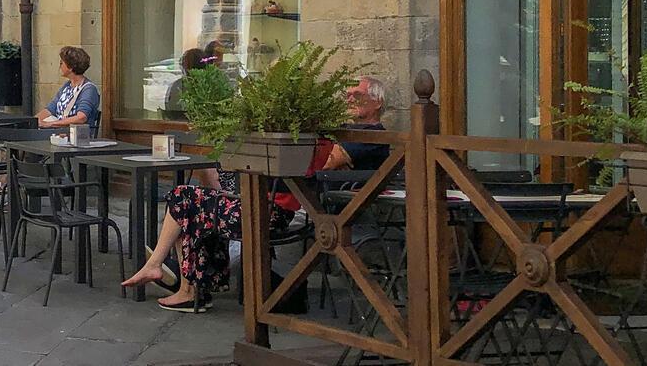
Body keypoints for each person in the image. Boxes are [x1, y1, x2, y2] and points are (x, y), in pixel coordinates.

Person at [123, 76, 392, 311]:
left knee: (185, 199)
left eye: (357, 95)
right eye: (346, 94)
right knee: (191, 199)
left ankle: (181, 282)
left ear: (377, 103)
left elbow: (324, 163)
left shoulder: (370, 136)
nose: (349, 99)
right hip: (273, 202)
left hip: (293, 211)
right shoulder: (341, 133)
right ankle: (186, 284)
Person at [37, 46, 100, 131]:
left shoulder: (89, 89)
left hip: (76, 135)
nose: (60, 66)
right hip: (59, 132)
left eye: (61, 63)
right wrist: (32, 122)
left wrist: (49, 124)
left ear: (70, 67)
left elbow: (81, 118)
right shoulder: (67, 86)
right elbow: (50, 109)